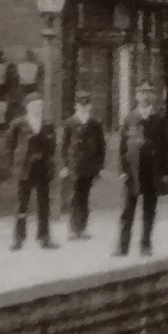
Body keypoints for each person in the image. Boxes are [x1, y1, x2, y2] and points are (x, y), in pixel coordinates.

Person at [114, 82, 168, 257]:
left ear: (152, 97)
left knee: (149, 210)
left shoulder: (159, 120)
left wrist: (164, 172)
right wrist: (123, 170)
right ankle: (122, 247)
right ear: (136, 96)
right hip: (132, 172)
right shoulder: (129, 118)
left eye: (148, 93)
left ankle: (145, 245)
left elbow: (166, 148)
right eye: (141, 93)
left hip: (152, 172)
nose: (144, 97)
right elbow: (123, 147)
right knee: (127, 211)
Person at [6, 92, 58, 250]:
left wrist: (49, 162)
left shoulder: (48, 125)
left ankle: (44, 237)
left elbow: (52, 146)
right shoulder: (18, 124)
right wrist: (14, 164)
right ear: (27, 107)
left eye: (40, 106)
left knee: (44, 204)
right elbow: (10, 146)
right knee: (22, 204)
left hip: (42, 169)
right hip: (25, 169)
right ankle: (18, 238)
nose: (37, 108)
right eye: (34, 105)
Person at [61, 90, 106, 240]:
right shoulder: (70, 123)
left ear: (90, 106)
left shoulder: (95, 124)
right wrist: (65, 165)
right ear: (76, 106)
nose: (84, 107)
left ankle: (83, 228)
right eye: (81, 104)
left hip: (89, 166)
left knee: (85, 197)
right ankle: (74, 229)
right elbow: (65, 146)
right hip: (75, 166)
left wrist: (100, 166)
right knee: (75, 196)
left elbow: (101, 147)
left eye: (86, 104)